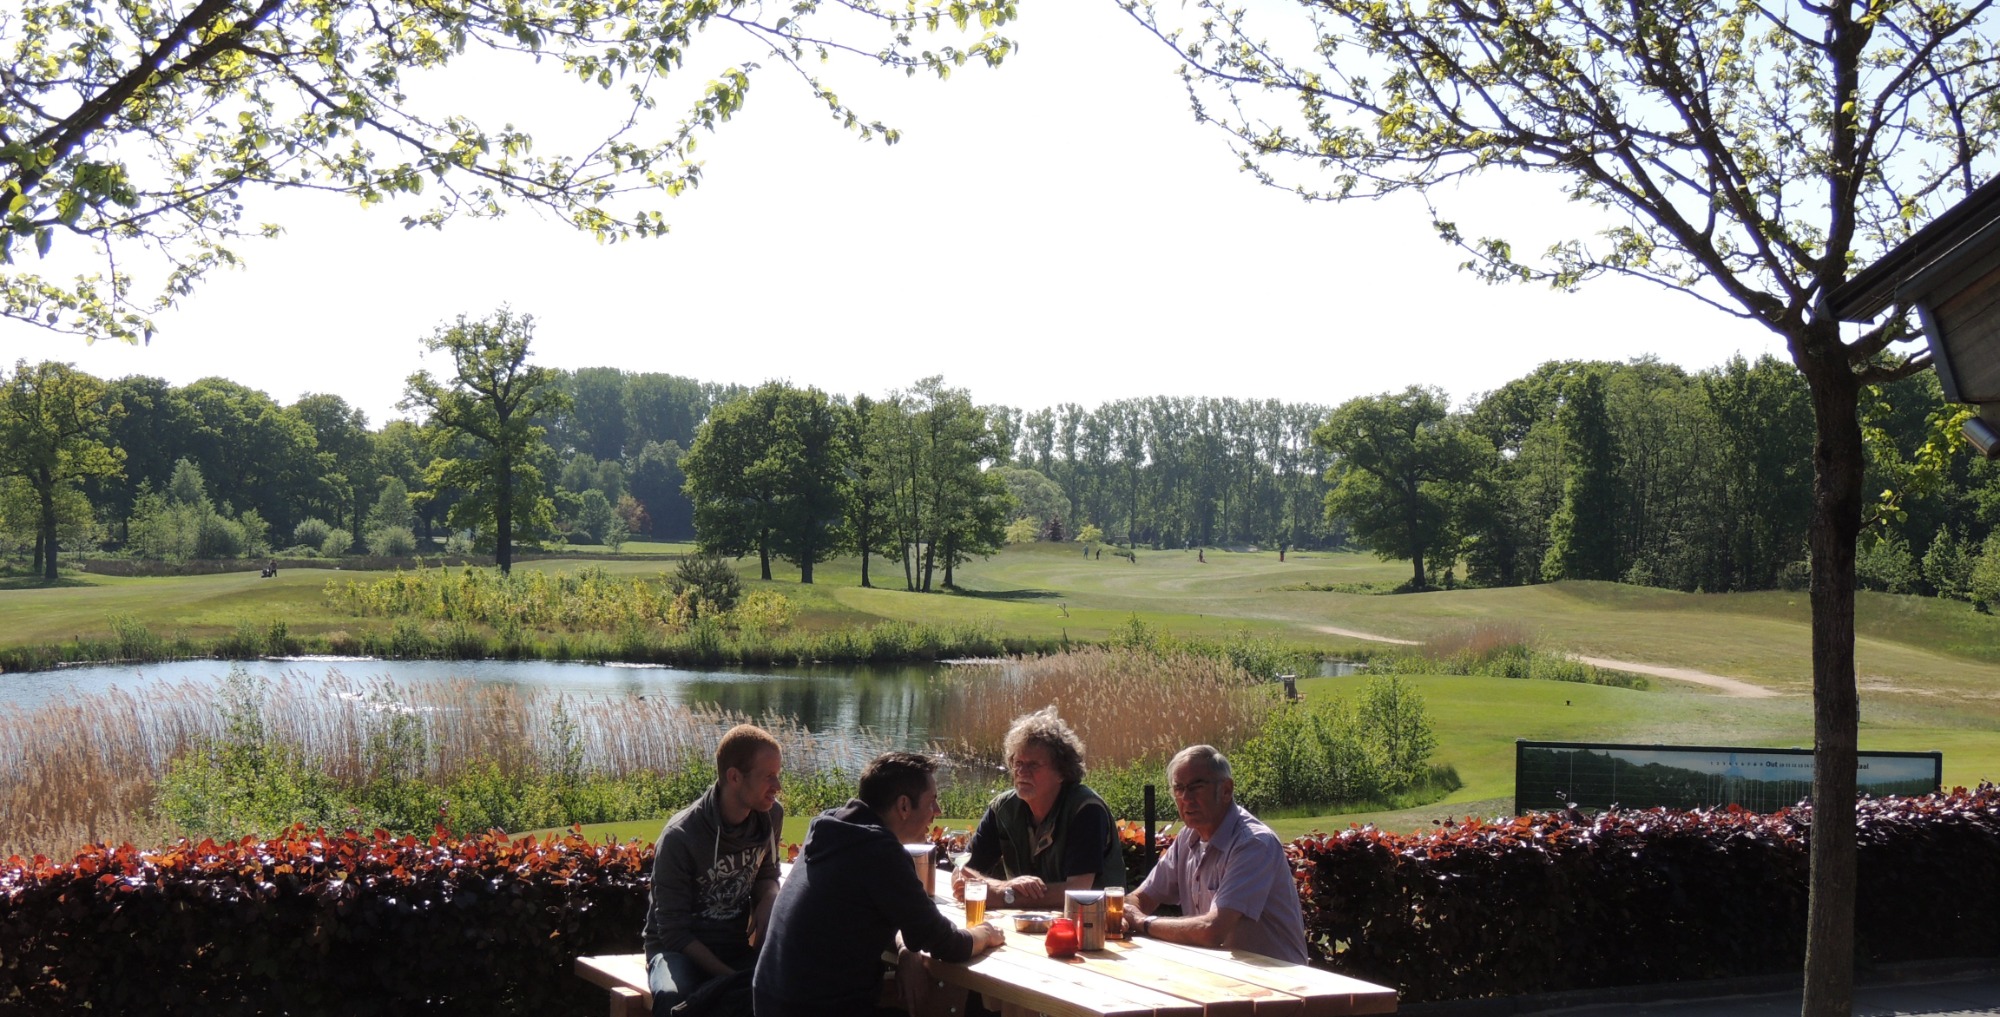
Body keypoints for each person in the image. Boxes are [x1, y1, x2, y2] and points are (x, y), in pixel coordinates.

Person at [754, 751, 1004, 1017]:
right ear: (904, 806)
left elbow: (890, 915)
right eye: (932, 801)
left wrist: (906, 948)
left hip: (772, 1002)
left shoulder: (832, 828)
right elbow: (947, 943)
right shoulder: (879, 852)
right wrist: (985, 933)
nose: (938, 812)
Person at [1120, 744, 1308, 963]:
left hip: (1277, 978)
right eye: (1179, 788)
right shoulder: (1187, 838)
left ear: (1226, 790)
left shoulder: (1253, 843)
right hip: (1220, 971)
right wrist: (1125, 914)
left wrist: (1143, 922)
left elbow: (1212, 930)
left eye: (1196, 787)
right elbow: (1141, 898)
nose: (1186, 798)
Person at [644, 724, 785, 1012]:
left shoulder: (770, 816)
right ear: (734, 777)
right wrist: (730, 980)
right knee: (675, 998)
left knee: (791, 986)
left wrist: (770, 895)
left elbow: (767, 874)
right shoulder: (680, 837)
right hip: (677, 954)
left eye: (778, 775)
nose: (778, 786)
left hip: (734, 947)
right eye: (768, 776)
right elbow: (674, 934)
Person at [954, 706, 1122, 911]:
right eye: (1017, 763)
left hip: (1091, 923)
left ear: (1062, 772)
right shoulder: (1003, 809)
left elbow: (1078, 891)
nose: (1022, 772)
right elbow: (962, 872)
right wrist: (1004, 887)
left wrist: (1003, 896)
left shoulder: (1086, 810)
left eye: (1033, 765)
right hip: (1021, 923)